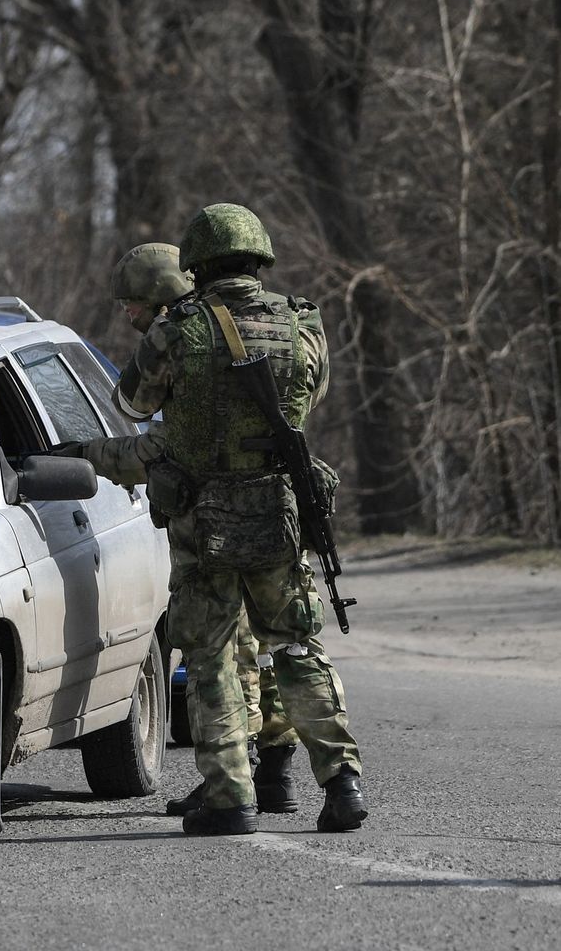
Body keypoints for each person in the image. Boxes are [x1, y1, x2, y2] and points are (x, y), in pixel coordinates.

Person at [110, 204, 365, 836]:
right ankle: (342, 783)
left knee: (211, 655)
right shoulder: (302, 324)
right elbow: (313, 392)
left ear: (195, 265)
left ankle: (230, 796)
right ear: (259, 258)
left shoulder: (178, 331)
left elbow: (131, 402)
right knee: (296, 645)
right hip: (277, 509)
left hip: (203, 518)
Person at [58, 243, 302, 819]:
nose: (127, 316)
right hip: (265, 511)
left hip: (214, 522)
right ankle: (272, 774)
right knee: (265, 648)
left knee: (225, 656)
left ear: (162, 297)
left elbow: (156, 446)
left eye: (133, 305)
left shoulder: (183, 342)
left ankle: (232, 783)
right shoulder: (243, 328)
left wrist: (86, 453)